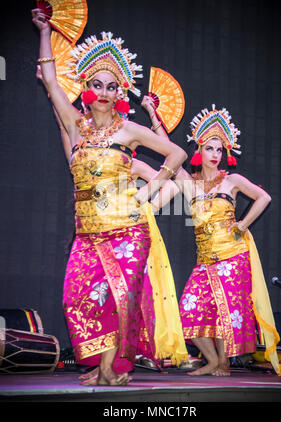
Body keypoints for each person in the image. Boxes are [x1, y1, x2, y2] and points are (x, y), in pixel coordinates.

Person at [31, 9, 187, 386]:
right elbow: (51, 83)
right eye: (97, 85)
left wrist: (146, 194)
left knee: (121, 300)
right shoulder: (74, 126)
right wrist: (44, 31)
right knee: (77, 298)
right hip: (88, 232)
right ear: (86, 87)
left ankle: (110, 370)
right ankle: (104, 366)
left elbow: (177, 154)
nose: (103, 93)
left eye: (111, 86)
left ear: (119, 93)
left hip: (128, 230)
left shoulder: (129, 131)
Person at [172, 105, 281, 376]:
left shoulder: (231, 180)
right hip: (204, 260)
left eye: (219, 149)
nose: (215, 154)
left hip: (233, 255)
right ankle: (212, 361)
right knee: (188, 309)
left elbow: (263, 197)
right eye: (209, 148)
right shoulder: (191, 184)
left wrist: (243, 224)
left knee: (225, 312)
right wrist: (154, 118)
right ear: (199, 150)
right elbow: (169, 154)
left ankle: (223, 363)